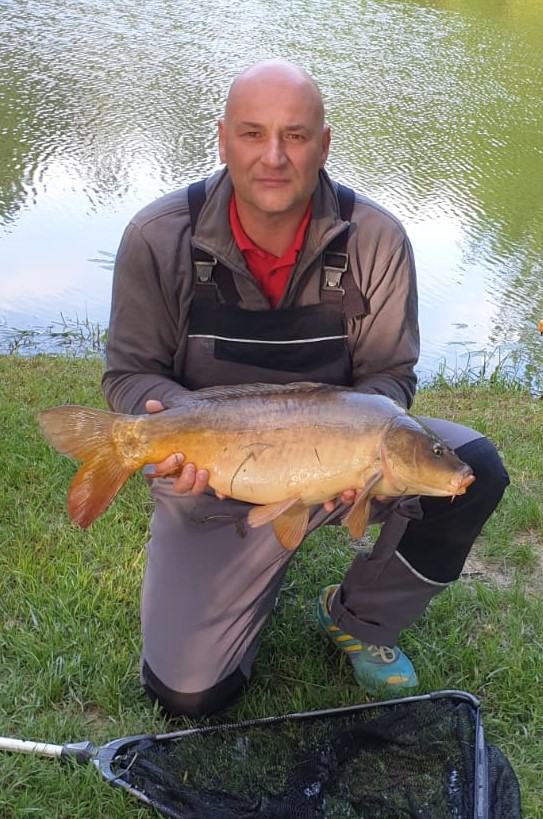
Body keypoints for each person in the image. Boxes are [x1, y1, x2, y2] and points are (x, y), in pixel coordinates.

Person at [102, 59, 509, 718]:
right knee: (187, 692)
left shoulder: (375, 237)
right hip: (210, 479)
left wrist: (367, 458)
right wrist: (172, 432)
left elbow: (388, 374)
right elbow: (128, 372)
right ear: (221, 139)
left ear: (323, 144)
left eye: (295, 136)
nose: (273, 156)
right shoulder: (158, 237)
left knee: (472, 471)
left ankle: (360, 617)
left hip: (343, 467)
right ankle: (232, 590)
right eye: (252, 133)